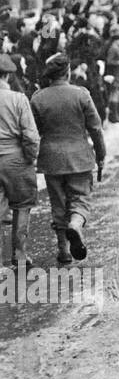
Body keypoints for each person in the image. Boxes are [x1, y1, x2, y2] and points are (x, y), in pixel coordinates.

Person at [31, 53, 106, 264]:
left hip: (51, 159)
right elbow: (96, 128)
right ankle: (75, 223)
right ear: (68, 72)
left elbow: (33, 131)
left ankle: (63, 250)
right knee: (80, 198)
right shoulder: (81, 94)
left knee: (58, 203)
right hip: (79, 157)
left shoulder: (38, 98)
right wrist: (101, 155)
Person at [0, 54, 40, 269]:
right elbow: (31, 135)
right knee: (22, 206)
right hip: (16, 158)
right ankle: (20, 255)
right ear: (7, 75)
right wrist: (30, 157)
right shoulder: (18, 99)